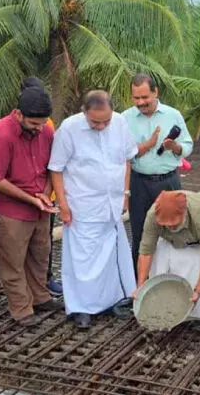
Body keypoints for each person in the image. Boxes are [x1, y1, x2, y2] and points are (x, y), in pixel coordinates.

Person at [49, 90, 137, 329]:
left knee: (112, 255)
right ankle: (82, 308)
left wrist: (125, 194)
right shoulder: (69, 129)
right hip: (82, 205)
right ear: (84, 112)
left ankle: (114, 300)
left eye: (105, 121)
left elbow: (126, 160)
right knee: (83, 260)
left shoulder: (119, 123)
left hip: (112, 203)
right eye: (95, 121)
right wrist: (63, 205)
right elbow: (56, 169)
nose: (101, 126)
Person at [0, 85, 64, 327]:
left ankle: (40, 297)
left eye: (42, 123)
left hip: (40, 206)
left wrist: (47, 193)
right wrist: (31, 198)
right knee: (13, 261)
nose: (39, 128)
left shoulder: (46, 130)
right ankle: (20, 308)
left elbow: (54, 165)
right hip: (11, 210)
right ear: (18, 114)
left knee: (40, 255)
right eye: (33, 124)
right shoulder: (0, 134)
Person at [121, 74, 193, 272]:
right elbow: (121, 152)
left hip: (168, 183)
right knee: (140, 233)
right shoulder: (124, 118)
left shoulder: (173, 115)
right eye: (136, 98)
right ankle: (140, 286)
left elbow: (187, 146)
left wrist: (174, 146)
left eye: (145, 97)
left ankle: (172, 281)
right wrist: (148, 145)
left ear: (155, 92)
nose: (141, 103)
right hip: (138, 184)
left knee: (174, 231)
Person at [134, 191, 200, 329]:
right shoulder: (152, 216)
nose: (170, 227)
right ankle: (162, 309)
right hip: (167, 239)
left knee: (195, 268)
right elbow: (145, 252)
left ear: (184, 214)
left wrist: (198, 290)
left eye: (174, 224)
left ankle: (197, 315)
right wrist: (140, 287)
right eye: (166, 224)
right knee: (158, 264)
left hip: (194, 241)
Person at [20, 76, 64, 297]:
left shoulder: (48, 124)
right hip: (24, 196)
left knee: (43, 243)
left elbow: (53, 161)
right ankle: (27, 287)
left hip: (48, 194)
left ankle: (45, 280)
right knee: (22, 246)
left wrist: (47, 192)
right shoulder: (20, 120)